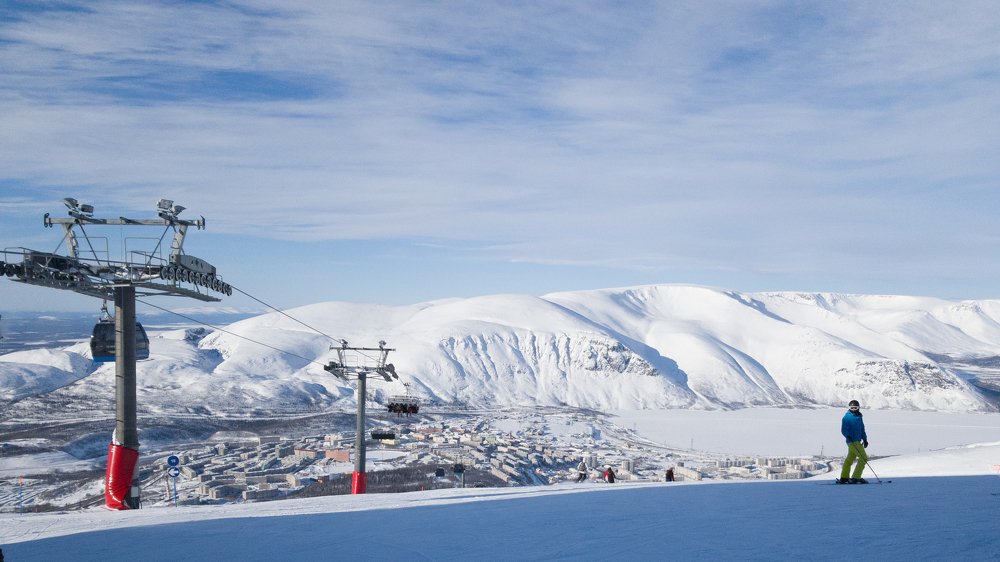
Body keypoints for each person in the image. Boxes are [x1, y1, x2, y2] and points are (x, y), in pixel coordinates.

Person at [839, 399, 869, 484]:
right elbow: (843, 429)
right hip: (852, 441)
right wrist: (847, 435)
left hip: (857, 441)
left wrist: (865, 439)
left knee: (850, 459)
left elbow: (862, 429)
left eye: (855, 408)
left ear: (858, 408)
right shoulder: (847, 417)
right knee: (864, 458)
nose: (853, 409)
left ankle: (844, 478)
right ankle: (856, 477)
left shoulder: (859, 417)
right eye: (851, 408)